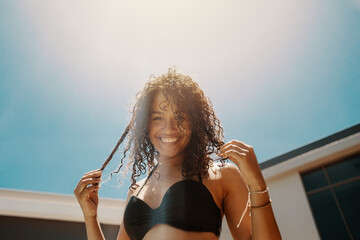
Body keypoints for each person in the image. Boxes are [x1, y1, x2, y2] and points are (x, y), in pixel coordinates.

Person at [74, 68, 281, 240]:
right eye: (158, 118)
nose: (169, 128)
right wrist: (90, 217)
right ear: (146, 125)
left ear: (195, 122)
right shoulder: (136, 191)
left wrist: (257, 186)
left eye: (180, 117)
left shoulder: (221, 174)